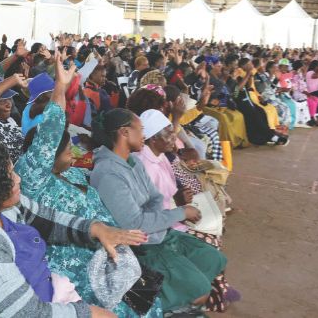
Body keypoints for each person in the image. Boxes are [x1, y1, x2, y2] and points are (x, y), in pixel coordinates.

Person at [16, 59, 162, 317]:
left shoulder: (72, 173)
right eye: (65, 150)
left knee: (147, 303)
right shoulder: (33, 180)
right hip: (76, 260)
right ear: (48, 156)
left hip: (109, 250)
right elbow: (50, 132)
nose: (72, 153)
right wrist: (60, 88)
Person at [0, 140, 147, 318]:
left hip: (49, 296)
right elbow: (29, 314)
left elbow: (48, 220)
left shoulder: (6, 208)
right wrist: (87, 313)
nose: (18, 178)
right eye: (10, 174)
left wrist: (95, 229)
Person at [89, 108, 227, 317]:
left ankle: (181, 301)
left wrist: (156, 222)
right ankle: (168, 307)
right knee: (199, 290)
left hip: (157, 234)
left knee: (212, 259)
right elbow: (134, 223)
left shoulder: (132, 161)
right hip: (140, 248)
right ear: (124, 133)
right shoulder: (108, 173)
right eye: (141, 130)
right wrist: (180, 213)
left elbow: (155, 198)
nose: (144, 135)